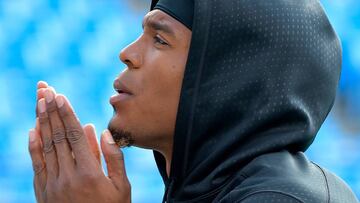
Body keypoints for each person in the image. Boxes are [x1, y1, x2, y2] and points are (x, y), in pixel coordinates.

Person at [28, 0, 359, 202]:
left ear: (228, 77)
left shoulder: (283, 198)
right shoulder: (213, 190)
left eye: (159, 39)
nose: (126, 54)